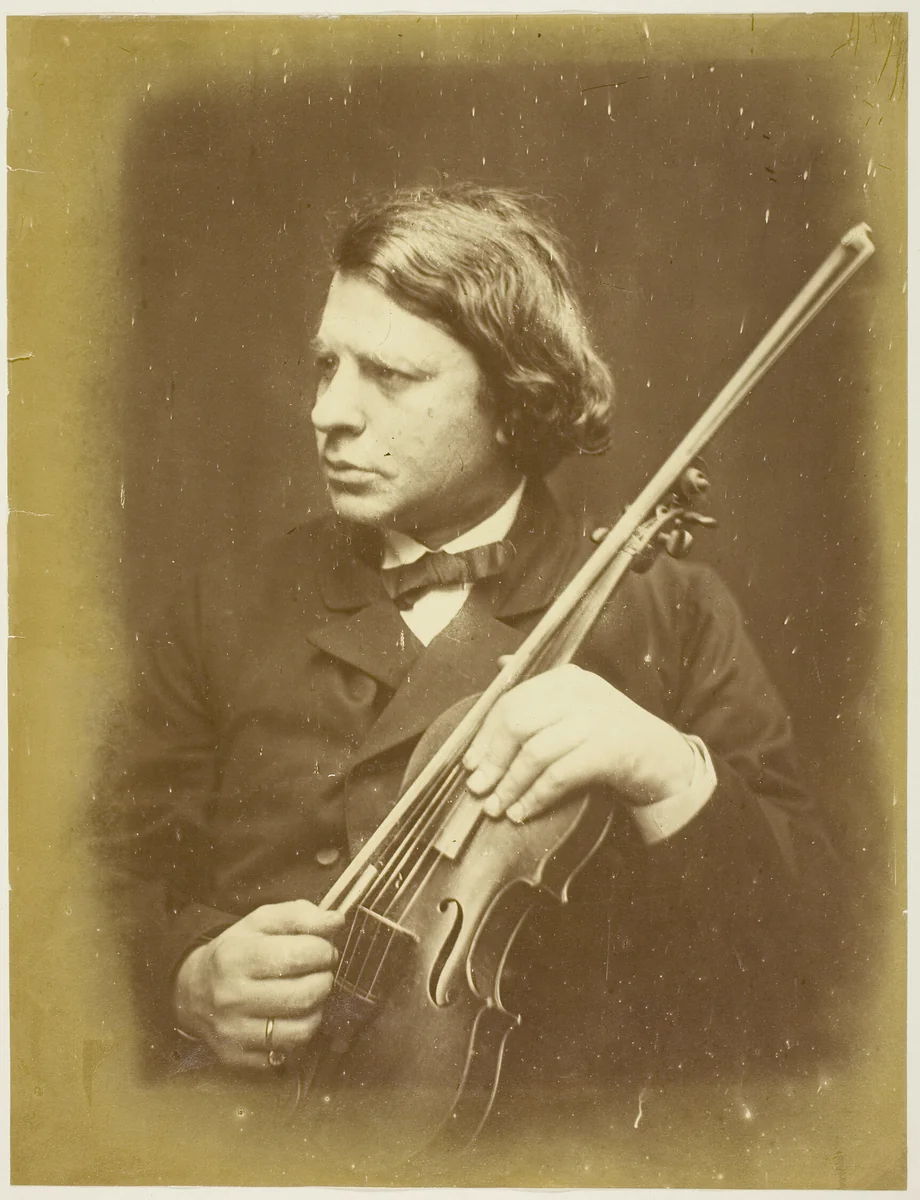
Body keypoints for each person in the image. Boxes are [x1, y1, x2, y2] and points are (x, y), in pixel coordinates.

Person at [94, 184, 832, 1167]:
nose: (328, 413)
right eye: (325, 365)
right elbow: (92, 880)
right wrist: (184, 977)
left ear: (514, 400)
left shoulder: (670, 610)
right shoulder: (227, 600)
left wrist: (666, 770)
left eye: (388, 377)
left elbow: (817, 943)